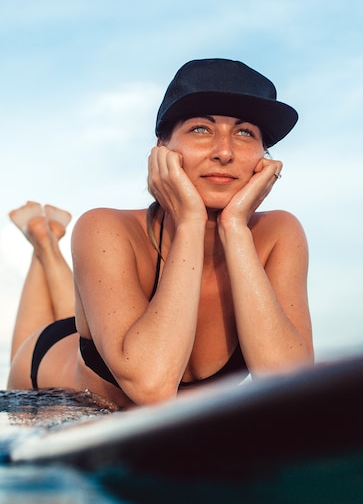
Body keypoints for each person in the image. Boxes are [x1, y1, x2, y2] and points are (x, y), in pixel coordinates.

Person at [7, 58, 313, 407]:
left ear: (264, 158)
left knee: (82, 312)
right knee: (46, 334)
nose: (224, 152)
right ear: (162, 149)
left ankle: (45, 240)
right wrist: (190, 223)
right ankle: (43, 243)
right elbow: (152, 388)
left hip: (108, 322)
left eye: (245, 133)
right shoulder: (105, 227)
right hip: (47, 374)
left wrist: (235, 229)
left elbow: (293, 391)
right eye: (201, 129)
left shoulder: (278, 234)